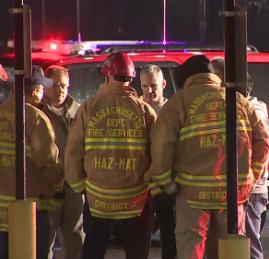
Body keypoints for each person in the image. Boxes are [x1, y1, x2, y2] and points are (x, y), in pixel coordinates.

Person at [146, 55, 269, 259]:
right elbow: (262, 141)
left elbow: (161, 149)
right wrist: (251, 177)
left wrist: (166, 184)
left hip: (192, 197)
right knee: (230, 253)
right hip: (231, 196)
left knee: (192, 250)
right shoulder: (238, 100)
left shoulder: (178, 103)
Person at [64, 52, 157, 259]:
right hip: (135, 201)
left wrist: (79, 186)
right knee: (136, 253)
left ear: (106, 75)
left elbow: (73, 152)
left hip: (98, 200)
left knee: (93, 251)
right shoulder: (144, 110)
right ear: (131, 78)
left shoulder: (88, 107)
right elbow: (158, 153)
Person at [210, 58, 269, 259]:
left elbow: (261, 146)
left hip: (251, 190)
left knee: (250, 242)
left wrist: (251, 178)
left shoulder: (253, 112)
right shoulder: (243, 109)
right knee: (241, 240)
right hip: (244, 188)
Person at [0, 65, 61, 259]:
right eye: (42, 88)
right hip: (28, 213)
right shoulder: (36, 118)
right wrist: (58, 193)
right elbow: (48, 161)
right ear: (35, 91)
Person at [42, 65, 84, 259]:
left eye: (64, 86)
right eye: (56, 85)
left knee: (75, 240)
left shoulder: (79, 112)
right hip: (48, 186)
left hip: (74, 185)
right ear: (45, 84)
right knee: (45, 240)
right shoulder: (37, 112)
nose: (60, 90)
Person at [139, 64, 176, 259]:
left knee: (169, 234)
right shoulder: (136, 108)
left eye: (153, 85)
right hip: (140, 182)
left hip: (164, 182)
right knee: (139, 236)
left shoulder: (173, 110)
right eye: (144, 86)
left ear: (163, 84)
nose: (149, 91)